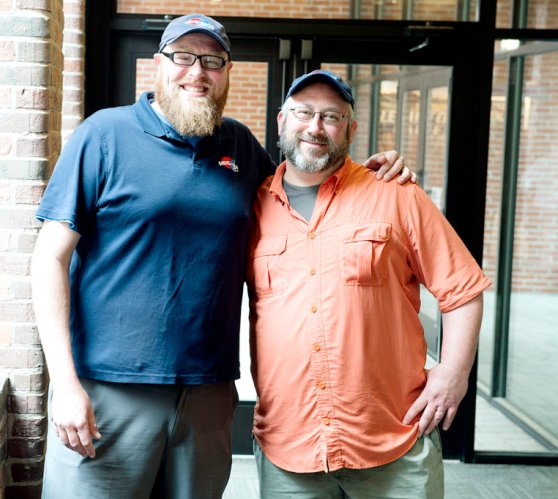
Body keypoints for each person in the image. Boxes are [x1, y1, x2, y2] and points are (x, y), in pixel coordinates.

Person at [32, 14, 411, 499]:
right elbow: (49, 260)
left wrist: (373, 174)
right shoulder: (103, 135)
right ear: (158, 65)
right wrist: (64, 383)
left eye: (212, 61)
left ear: (227, 72)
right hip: (108, 391)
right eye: (183, 57)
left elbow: (307, 199)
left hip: (208, 396)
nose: (197, 72)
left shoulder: (239, 146)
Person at [246, 69, 492, 498]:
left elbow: (463, 290)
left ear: (351, 129)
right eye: (304, 113)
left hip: (392, 438)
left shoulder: (396, 194)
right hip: (290, 444)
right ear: (282, 120)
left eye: (331, 116)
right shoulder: (251, 205)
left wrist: (454, 372)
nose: (315, 127)